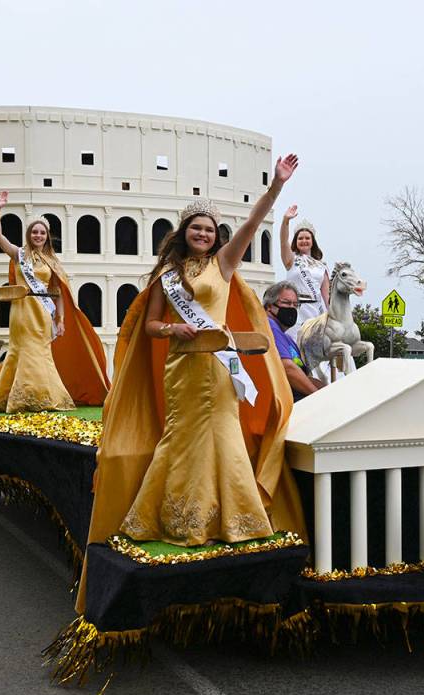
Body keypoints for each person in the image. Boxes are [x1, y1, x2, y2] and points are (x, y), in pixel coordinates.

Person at [76, 155, 309, 610]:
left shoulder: (223, 265)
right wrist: (171, 330)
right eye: (195, 229)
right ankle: (178, 521)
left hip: (219, 368)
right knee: (181, 440)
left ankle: (236, 519)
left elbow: (252, 222)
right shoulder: (168, 276)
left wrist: (276, 187)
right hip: (183, 368)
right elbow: (150, 327)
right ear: (183, 233)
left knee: (223, 436)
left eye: (209, 229)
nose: (203, 235)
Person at [0, 192, 109, 412]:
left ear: (47, 236)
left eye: (42, 232)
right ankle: (26, 398)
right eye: (35, 232)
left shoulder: (51, 261)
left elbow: (57, 292)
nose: (38, 235)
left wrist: (61, 320)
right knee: (22, 350)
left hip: (42, 311)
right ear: (29, 234)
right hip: (22, 311)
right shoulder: (18, 254)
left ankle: (38, 397)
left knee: (41, 351)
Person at [263, 281, 324, 401]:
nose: (291, 308)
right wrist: (318, 396)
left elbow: (303, 375)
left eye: (295, 304)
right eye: (286, 303)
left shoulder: (287, 338)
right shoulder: (269, 326)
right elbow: (287, 368)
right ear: (269, 306)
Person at [279, 205, 329, 339]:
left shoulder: (321, 266)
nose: (304, 241)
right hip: (296, 310)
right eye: (300, 238)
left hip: (316, 311)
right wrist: (285, 221)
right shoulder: (291, 260)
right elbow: (283, 242)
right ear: (296, 241)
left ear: (313, 241)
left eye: (307, 238)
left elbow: (326, 296)